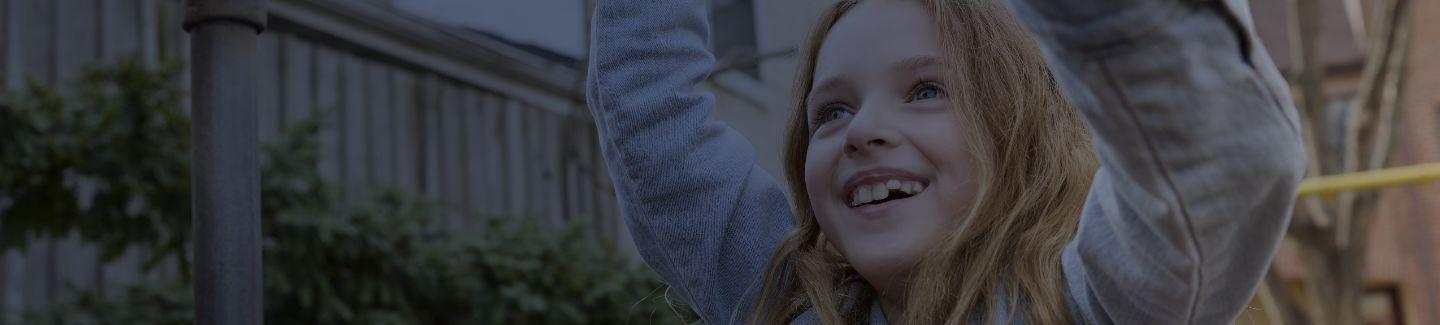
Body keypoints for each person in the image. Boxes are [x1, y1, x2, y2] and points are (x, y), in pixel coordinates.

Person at [585, 0, 1306, 323]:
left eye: (926, 90)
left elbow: (1215, 162)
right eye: (831, 110)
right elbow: (651, 121)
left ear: (1020, 134)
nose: (863, 129)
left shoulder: (1092, 302)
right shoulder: (780, 302)